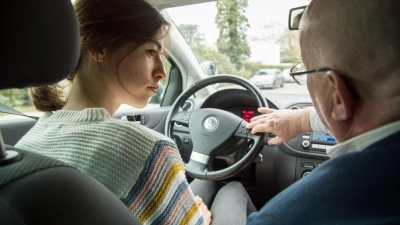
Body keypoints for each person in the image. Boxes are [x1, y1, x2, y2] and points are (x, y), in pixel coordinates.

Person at [15, 0, 213, 224]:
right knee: (229, 189)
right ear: (100, 48)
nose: (162, 72)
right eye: (150, 52)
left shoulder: (27, 144)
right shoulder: (148, 151)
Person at [244, 0, 400, 223]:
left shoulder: (281, 218)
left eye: (305, 71)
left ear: (336, 94)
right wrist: (301, 119)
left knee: (229, 192)